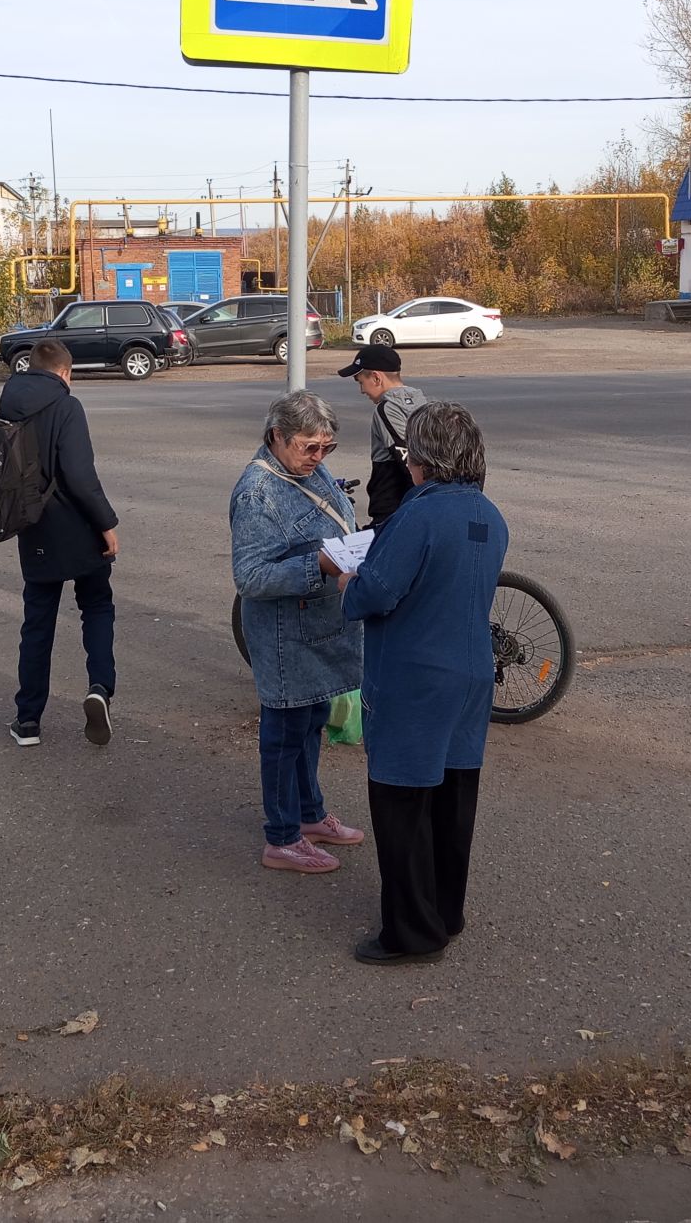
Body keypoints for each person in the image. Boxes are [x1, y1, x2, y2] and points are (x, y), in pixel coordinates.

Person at [341, 402, 507, 963]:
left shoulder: (417, 516)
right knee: (453, 801)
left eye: (408, 450)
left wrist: (346, 580)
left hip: (414, 679)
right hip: (471, 674)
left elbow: (375, 594)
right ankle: (446, 910)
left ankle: (410, 933)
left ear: (424, 458)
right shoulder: (489, 514)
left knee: (402, 805)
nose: (405, 460)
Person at [229, 391, 367, 874]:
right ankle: (281, 837)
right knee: (285, 734)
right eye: (309, 447)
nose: (319, 457)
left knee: (311, 725)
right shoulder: (256, 493)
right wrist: (322, 564)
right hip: (285, 635)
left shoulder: (306, 468)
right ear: (276, 438)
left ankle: (309, 815)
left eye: (326, 448)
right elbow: (249, 577)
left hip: (316, 627)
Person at [0, 339, 119, 749]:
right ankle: (100, 688)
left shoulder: (8, 403)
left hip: (33, 529)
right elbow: (80, 476)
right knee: (97, 606)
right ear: (65, 372)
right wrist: (107, 525)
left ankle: (27, 720)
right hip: (79, 529)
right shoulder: (68, 407)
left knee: (37, 623)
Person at [335, 343, 427, 528]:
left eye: (361, 382)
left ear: (376, 378)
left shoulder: (386, 409)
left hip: (392, 507)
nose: (362, 390)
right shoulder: (421, 402)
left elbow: (404, 456)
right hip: (415, 507)